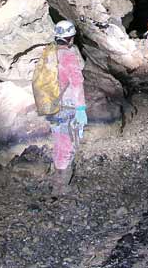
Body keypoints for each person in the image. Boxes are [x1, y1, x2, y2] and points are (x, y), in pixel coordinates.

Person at [47, 20, 87, 193]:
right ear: (71, 37)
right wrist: (81, 109)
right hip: (68, 104)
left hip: (51, 103)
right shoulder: (69, 54)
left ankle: (56, 175)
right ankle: (61, 185)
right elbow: (77, 82)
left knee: (57, 139)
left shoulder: (49, 52)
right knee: (67, 142)